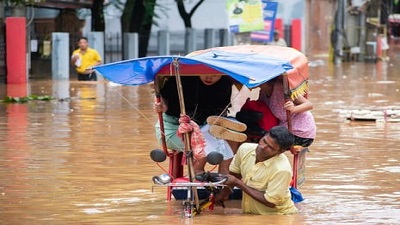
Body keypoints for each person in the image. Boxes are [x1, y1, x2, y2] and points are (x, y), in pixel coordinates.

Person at [154, 75, 247, 175]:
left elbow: (219, 109)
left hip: (204, 125)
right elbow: (162, 100)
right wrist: (162, 106)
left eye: (215, 75)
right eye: (205, 73)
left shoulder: (224, 83)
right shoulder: (179, 80)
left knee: (233, 134)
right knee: (202, 139)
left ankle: (224, 171)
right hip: (173, 129)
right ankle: (197, 170)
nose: (209, 78)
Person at [215, 126, 298, 215]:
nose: (262, 147)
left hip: (279, 216)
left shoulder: (282, 169)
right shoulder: (245, 148)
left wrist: (238, 183)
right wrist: (224, 193)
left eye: (270, 147)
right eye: (264, 141)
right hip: (251, 214)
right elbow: (235, 174)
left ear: (280, 151)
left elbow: (271, 202)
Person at [258, 77, 316, 148]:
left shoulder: (284, 89)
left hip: (301, 133)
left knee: (266, 140)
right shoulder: (262, 93)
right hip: (283, 129)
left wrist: (293, 109)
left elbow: (309, 105)